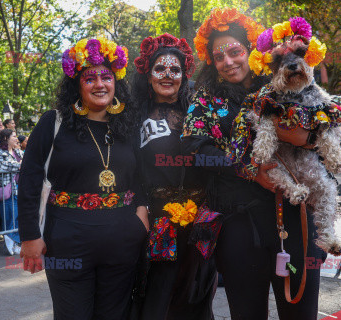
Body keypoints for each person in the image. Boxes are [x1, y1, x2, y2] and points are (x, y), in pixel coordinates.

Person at [182, 8, 341, 319]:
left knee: (300, 312)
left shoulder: (284, 81)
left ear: (250, 51)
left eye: (234, 51)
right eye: (219, 57)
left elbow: (324, 116)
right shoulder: (205, 98)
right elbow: (195, 149)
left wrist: (308, 139)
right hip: (239, 224)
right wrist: (250, 169)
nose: (228, 62)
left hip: (296, 215)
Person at [18, 37, 148, 320]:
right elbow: (29, 178)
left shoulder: (128, 125)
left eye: (106, 77)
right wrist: (29, 236)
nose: (100, 84)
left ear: (116, 82)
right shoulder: (53, 123)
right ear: (77, 85)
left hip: (122, 240)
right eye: (90, 78)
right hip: (67, 240)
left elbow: (139, 174)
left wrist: (140, 215)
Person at [131, 33, 216, 320]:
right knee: (159, 292)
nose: (168, 75)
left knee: (195, 291)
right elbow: (127, 166)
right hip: (155, 218)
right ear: (149, 74)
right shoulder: (133, 115)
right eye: (160, 69)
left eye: (175, 70)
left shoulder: (199, 112)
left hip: (200, 220)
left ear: (184, 74)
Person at [0, 129, 23, 255]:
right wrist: (19, 165)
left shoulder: (18, 151)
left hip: (19, 189)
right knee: (10, 217)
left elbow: (27, 163)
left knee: (18, 217)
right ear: (6, 138)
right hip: (5, 190)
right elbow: (1, 166)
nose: (16, 139)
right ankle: (11, 242)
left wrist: (20, 164)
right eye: (14, 136)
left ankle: (16, 242)